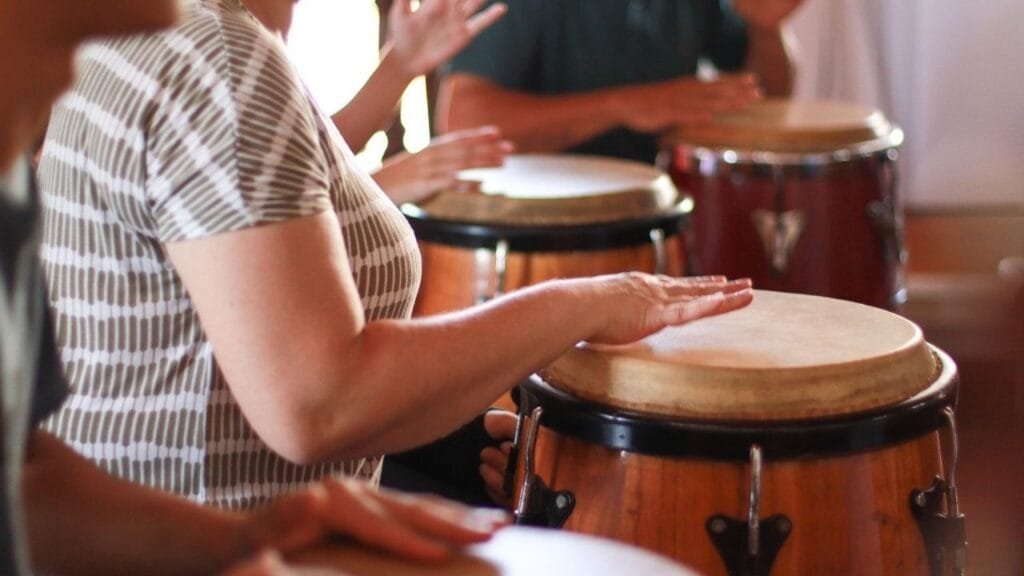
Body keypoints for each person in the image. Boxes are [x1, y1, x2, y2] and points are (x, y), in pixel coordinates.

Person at [37, 0, 754, 519]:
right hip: (230, 542)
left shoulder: (127, 36)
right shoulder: (218, 60)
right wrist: (584, 302)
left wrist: (445, 436)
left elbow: (204, 341)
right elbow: (320, 402)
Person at [0, 1, 509, 575]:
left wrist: (245, 538)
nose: (162, 27)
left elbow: (25, 476)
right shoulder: (209, 52)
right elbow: (320, 406)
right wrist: (590, 302)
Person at [438, 0, 804, 164]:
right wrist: (622, 105)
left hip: (665, 213)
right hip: (536, 233)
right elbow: (464, 119)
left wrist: (766, 26)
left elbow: (769, 93)